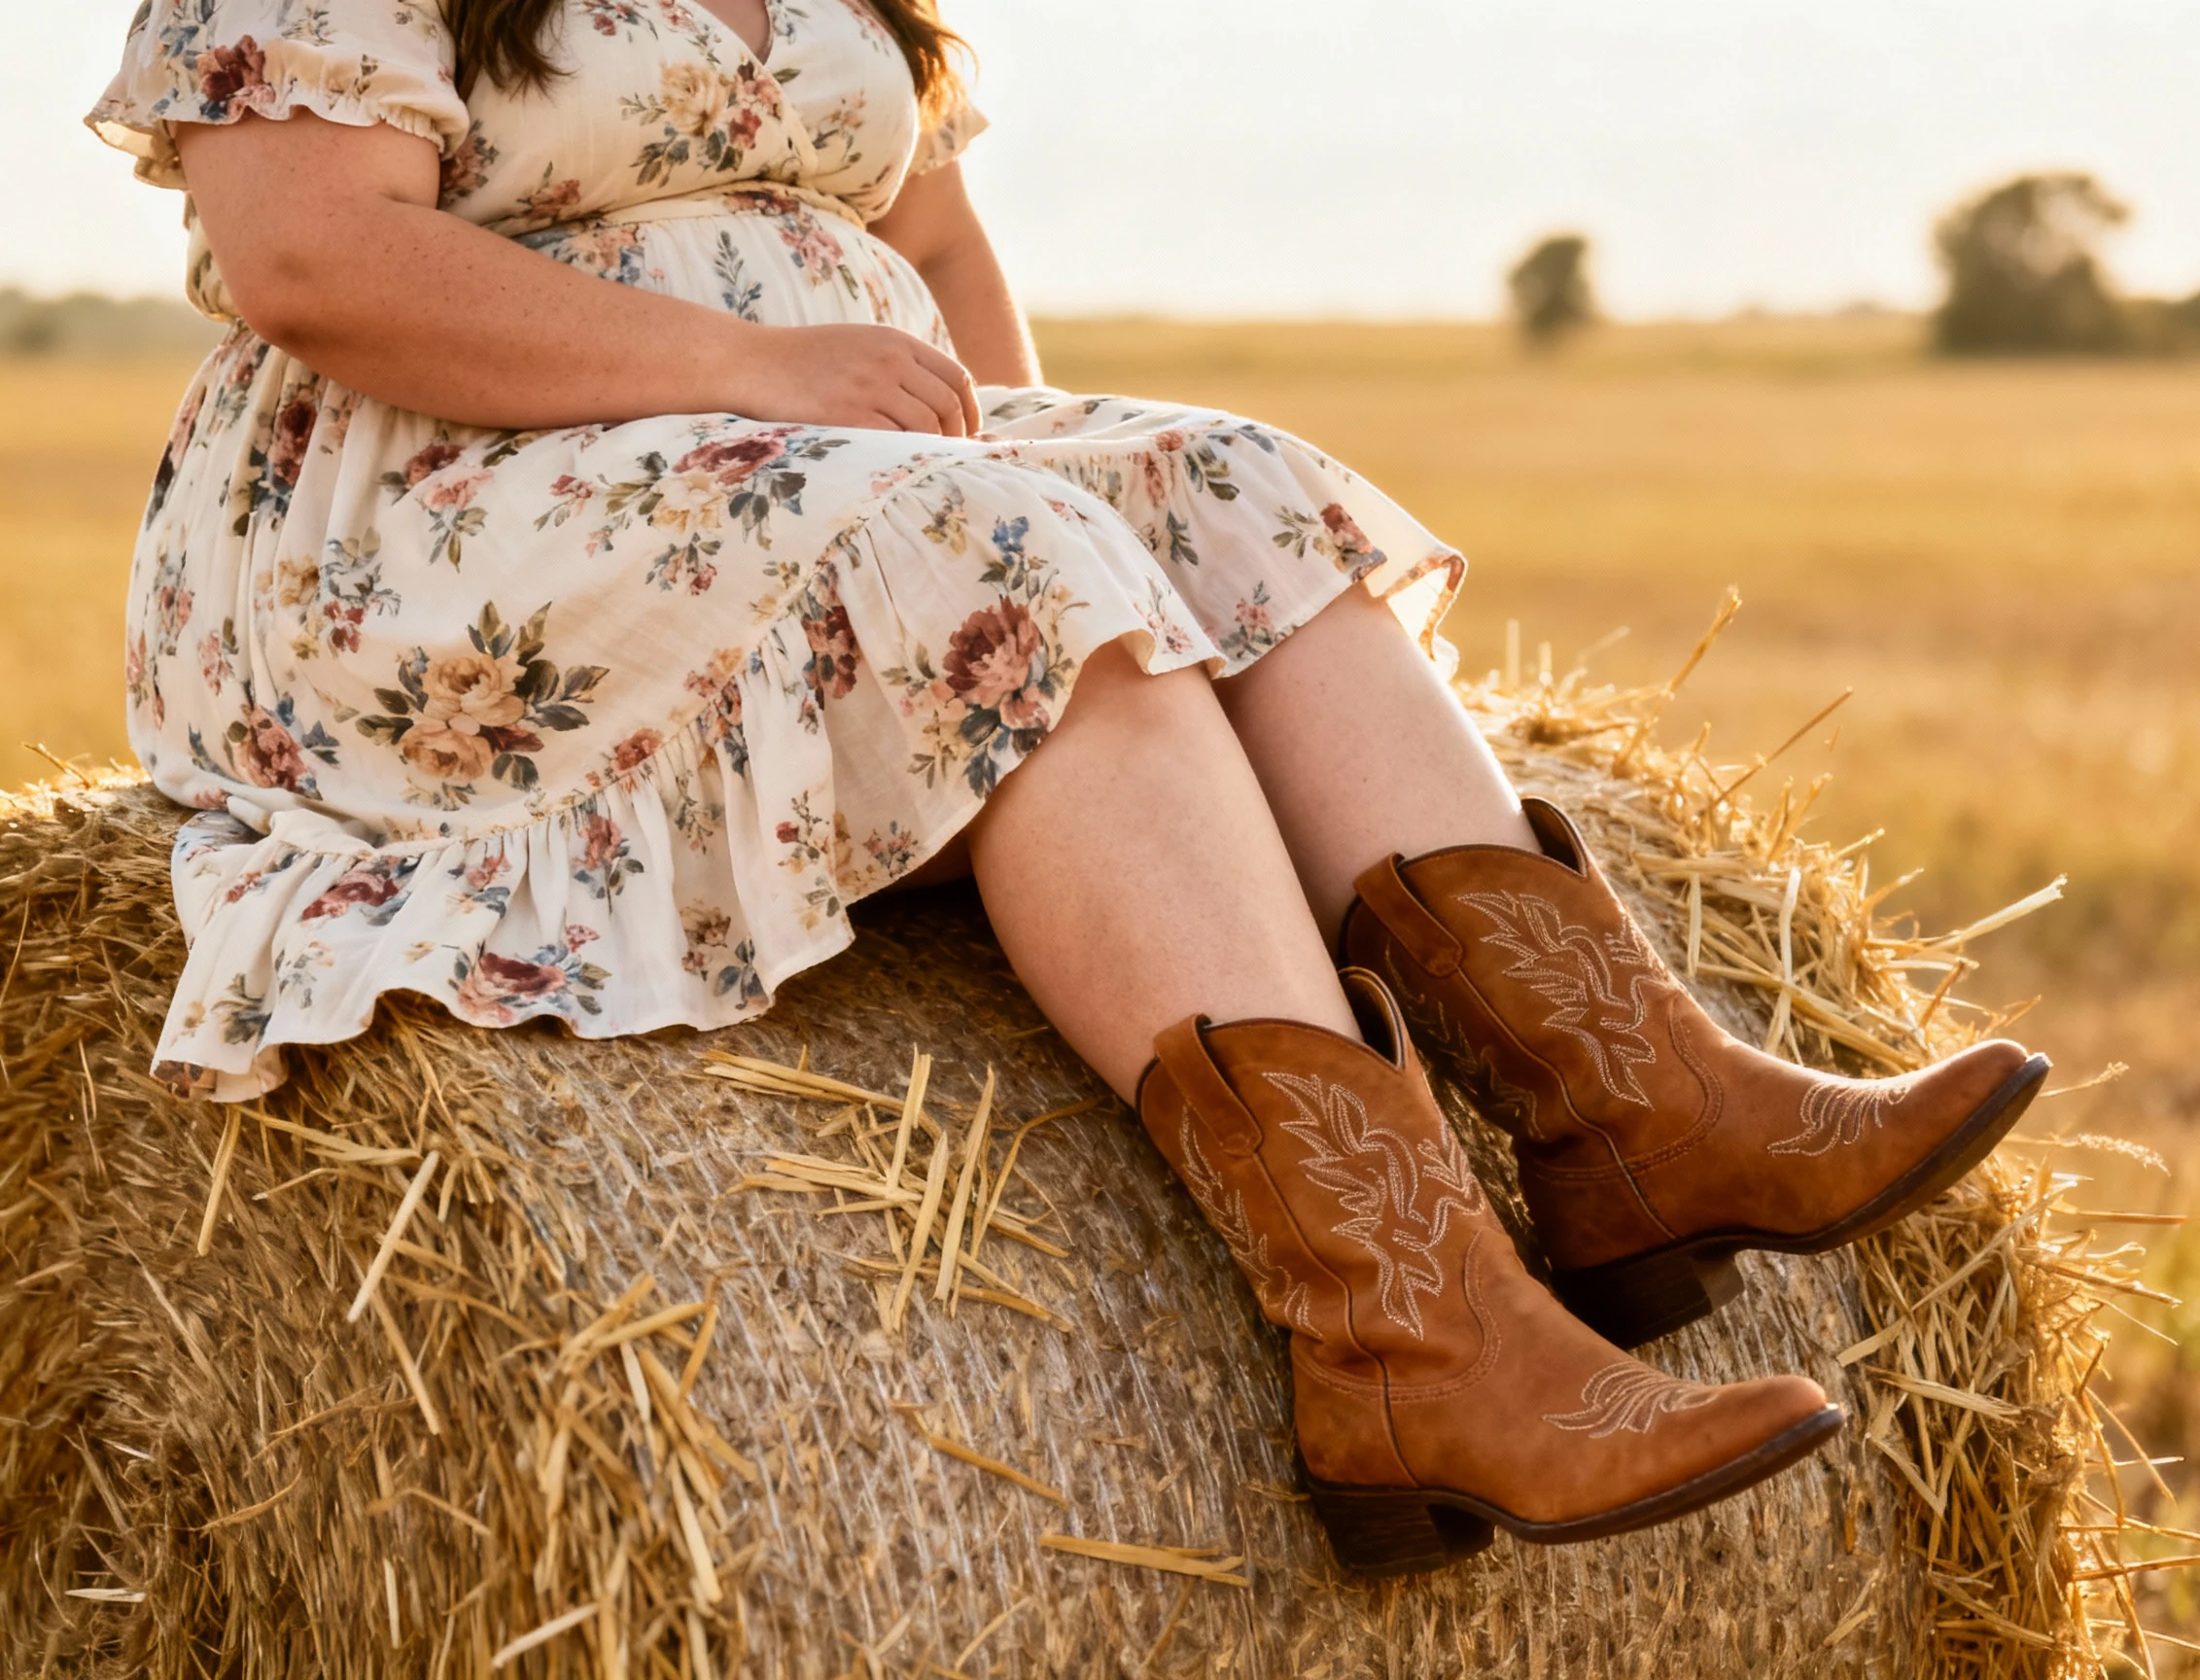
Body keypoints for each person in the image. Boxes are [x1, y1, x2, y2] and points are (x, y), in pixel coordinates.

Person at [89, 0, 2048, 1574]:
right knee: (1001, 565)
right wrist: (775, 384)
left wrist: (1041, 477)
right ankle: (1411, 1327)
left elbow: (933, 243)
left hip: (791, 459)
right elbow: (311, 253)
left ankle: (1636, 1112)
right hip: (443, 520)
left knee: (1228, 480)